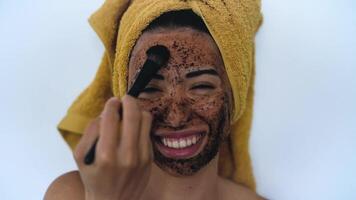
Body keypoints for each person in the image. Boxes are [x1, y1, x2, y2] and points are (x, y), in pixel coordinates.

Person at [45, 1, 264, 200]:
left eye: (201, 87)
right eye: (150, 89)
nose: (176, 117)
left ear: (235, 94)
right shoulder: (72, 193)